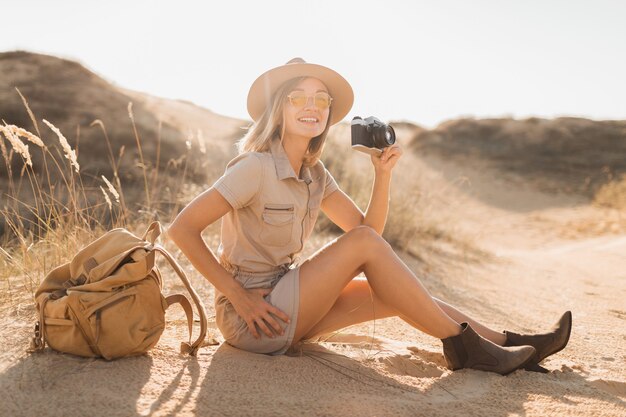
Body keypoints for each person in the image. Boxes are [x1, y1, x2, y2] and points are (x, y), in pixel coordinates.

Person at [167, 58, 571, 375]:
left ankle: (513, 342)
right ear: (279, 108)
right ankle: (467, 351)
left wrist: (383, 175)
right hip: (251, 318)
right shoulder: (254, 167)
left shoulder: (315, 174)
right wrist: (239, 298)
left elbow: (368, 235)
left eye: (321, 99)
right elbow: (182, 229)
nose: (312, 107)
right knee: (367, 253)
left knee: (397, 292)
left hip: (287, 300)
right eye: (298, 98)